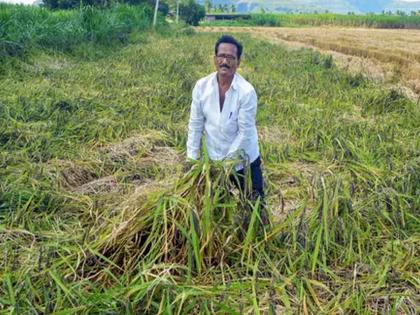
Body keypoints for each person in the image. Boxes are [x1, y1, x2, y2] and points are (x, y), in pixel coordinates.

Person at [186, 35, 264, 204]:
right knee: (216, 206)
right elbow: (195, 124)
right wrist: (192, 160)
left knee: (255, 205)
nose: (225, 61)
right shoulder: (202, 87)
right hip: (214, 159)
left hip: (244, 160)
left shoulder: (246, 92)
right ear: (215, 59)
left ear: (238, 62)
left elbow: (245, 133)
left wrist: (225, 166)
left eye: (230, 57)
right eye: (221, 56)